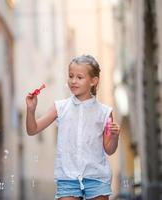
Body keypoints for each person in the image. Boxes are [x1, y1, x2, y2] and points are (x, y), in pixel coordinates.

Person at [26, 55, 121, 200]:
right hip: (67, 179)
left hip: (97, 178)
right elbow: (32, 130)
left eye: (79, 77)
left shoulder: (105, 113)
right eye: (70, 76)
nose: (73, 81)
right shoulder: (60, 108)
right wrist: (31, 110)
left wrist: (114, 137)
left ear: (93, 81)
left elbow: (109, 149)